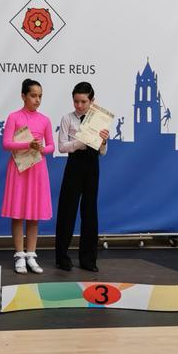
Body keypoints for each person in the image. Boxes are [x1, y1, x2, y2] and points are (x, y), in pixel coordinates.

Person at [1, 79, 54, 274]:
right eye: (33, 95)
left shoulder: (45, 120)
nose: (37, 100)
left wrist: (41, 148)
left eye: (40, 96)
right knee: (18, 213)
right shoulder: (14, 117)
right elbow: (6, 143)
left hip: (38, 168)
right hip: (19, 168)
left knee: (34, 214)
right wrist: (27, 145)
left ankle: (31, 255)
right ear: (23, 96)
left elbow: (51, 146)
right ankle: (19, 256)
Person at [54, 82, 108, 272]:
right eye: (76, 101)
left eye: (83, 101)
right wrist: (80, 142)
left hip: (92, 166)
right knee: (67, 211)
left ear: (92, 101)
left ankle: (88, 260)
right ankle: (62, 257)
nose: (79, 105)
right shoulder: (67, 119)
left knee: (90, 212)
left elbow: (103, 152)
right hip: (74, 165)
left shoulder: (99, 120)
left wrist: (103, 142)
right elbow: (62, 147)